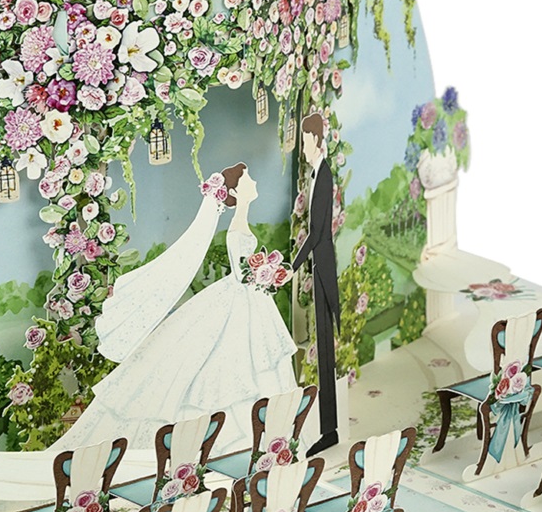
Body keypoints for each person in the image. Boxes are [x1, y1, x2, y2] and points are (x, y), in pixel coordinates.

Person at [56, 163, 297, 451]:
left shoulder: (240, 223)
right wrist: (264, 275)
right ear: (234, 192)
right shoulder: (237, 227)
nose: (254, 182)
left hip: (248, 301)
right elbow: (242, 271)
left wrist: (269, 274)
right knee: (231, 363)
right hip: (241, 300)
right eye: (248, 179)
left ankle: (260, 435)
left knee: (249, 361)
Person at [290, 112, 340, 455]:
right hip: (319, 265)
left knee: (325, 353)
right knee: (322, 353)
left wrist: (293, 266)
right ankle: (327, 427)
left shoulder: (323, 176)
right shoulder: (315, 173)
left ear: (317, 141)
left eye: (306, 142)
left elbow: (318, 233)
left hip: (322, 267)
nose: (303, 149)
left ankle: (329, 430)